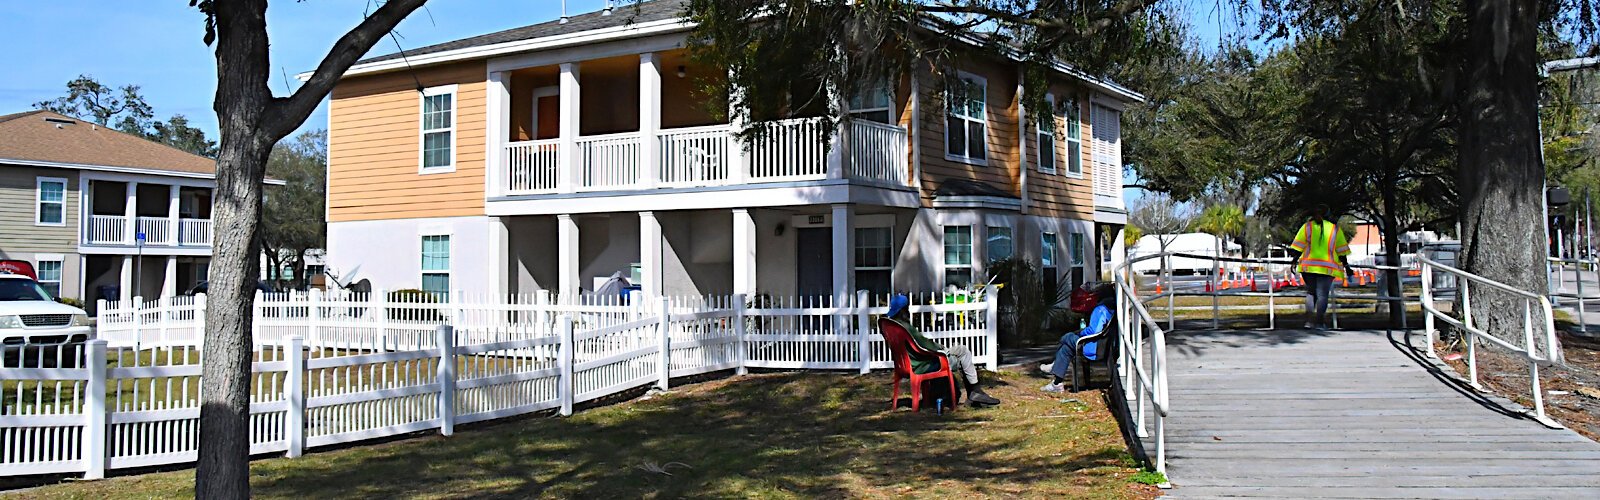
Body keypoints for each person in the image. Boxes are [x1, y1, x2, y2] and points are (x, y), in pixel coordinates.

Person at [886, 294, 1001, 406]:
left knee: (959, 352)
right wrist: (939, 348)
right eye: (907, 308)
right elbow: (923, 344)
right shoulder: (905, 327)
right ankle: (974, 391)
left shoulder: (891, 326)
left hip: (908, 364)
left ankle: (970, 393)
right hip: (925, 364)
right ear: (903, 310)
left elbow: (916, 345)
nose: (908, 311)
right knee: (963, 351)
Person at [1039, 284, 1114, 392]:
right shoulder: (1113, 308)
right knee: (1066, 349)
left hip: (1093, 346)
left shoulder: (1101, 309)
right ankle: (1056, 384)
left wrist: (1081, 333)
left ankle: (1055, 367)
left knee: (1067, 337)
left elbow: (1093, 331)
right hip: (1103, 345)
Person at [1290, 204, 1352, 330]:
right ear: (1328, 215)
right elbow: (1342, 252)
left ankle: (1308, 322)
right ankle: (1319, 323)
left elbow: (1297, 248)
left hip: (1308, 267)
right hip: (1327, 269)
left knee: (1311, 293)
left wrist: (1294, 261)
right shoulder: (1334, 229)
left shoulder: (1307, 227)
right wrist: (1347, 267)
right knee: (1322, 295)